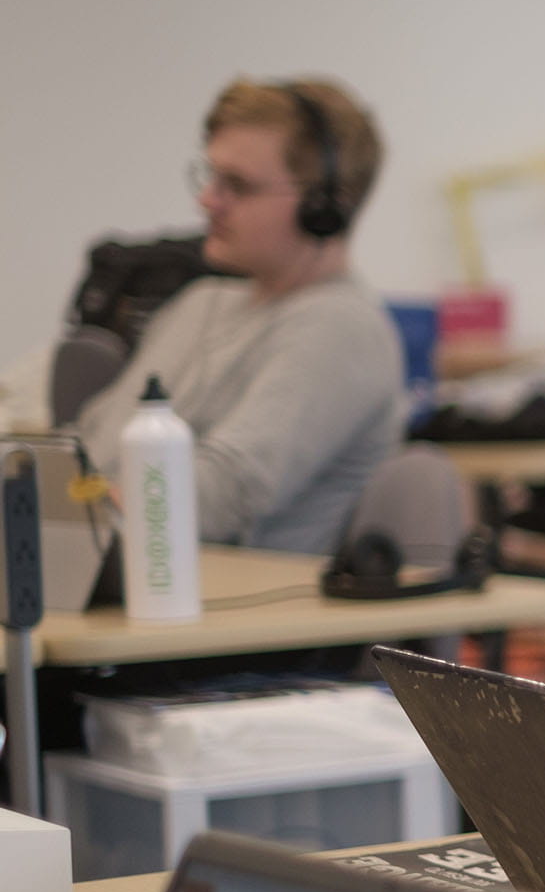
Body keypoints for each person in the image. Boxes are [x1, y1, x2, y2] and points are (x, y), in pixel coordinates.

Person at [75, 78, 404, 554]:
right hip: (121, 579)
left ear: (324, 209)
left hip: (226, 612)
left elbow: (218, 497)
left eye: (238, 186)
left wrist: (61, 515)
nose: (207, 201)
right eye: (210, 178)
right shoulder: (202, 302)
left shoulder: (341, 327)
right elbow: (92, 447)